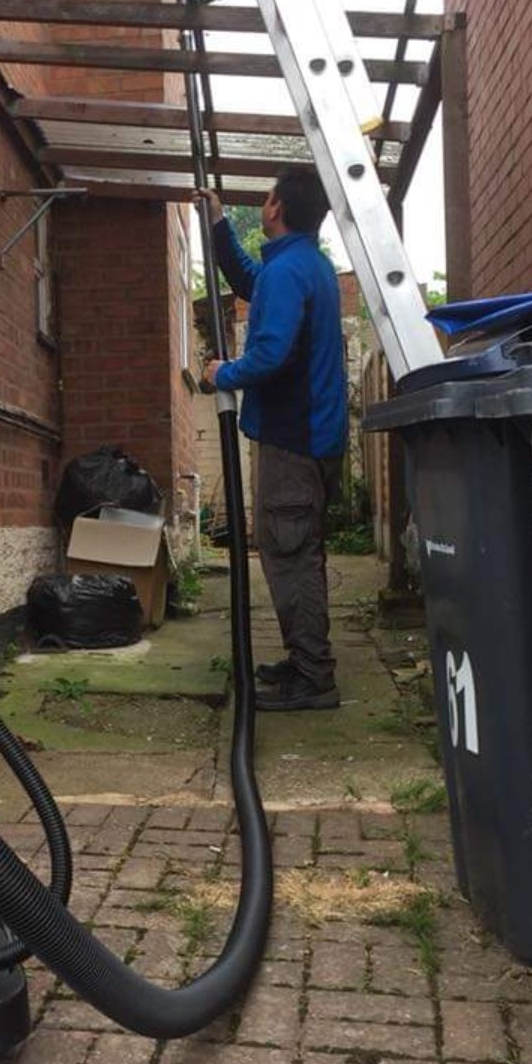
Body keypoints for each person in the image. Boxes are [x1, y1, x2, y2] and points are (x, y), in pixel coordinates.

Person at [198, 169, 347, 711]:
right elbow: (249, 280)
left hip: (295, 439)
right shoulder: (303, 264)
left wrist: (224, 373)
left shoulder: (289, 272)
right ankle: (304, 659)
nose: (263, 203)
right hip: (311, 436)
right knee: (298, 549)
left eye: (266, 197)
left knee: (290, 554)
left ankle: (313, 676)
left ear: (276, 206)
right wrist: (219, 225)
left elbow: (272, 353)